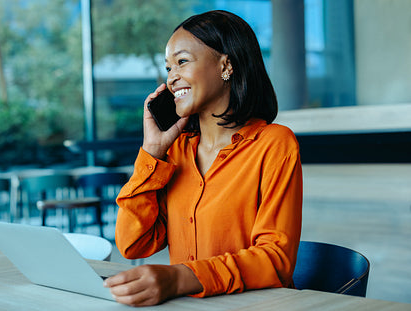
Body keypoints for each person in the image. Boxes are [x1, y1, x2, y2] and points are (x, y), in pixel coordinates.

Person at [103, 10, 303, 307]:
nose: (172, 78)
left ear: (226, 64)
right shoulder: (176, 151)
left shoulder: (274, 144)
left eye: (182, 62)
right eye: (168, 67)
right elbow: (134, 244)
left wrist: (180, 278)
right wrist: (151, 153)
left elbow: (275, 259)